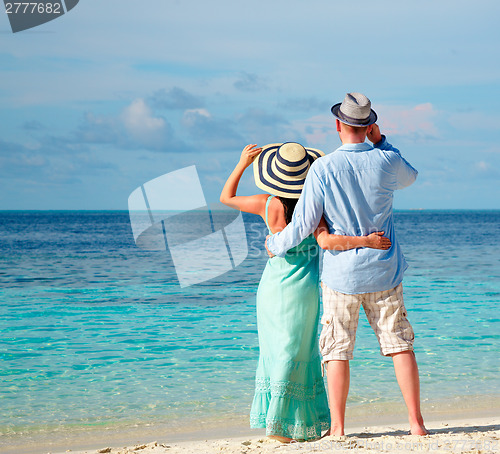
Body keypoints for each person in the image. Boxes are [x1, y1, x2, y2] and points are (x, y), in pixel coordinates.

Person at [266, 93, 428, 437]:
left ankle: (338, 429)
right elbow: (411, 177)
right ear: (369, 126)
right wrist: (382, 142)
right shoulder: (386, 160)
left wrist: (275, 244)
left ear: (338, 125)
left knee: (337, 348)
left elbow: (306, 222)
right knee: (400, 344)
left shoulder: (323, 168)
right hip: (384, 268)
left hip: (342, 274)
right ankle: (416, 424)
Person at [220, 141, 392, 442]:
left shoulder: (266, 203)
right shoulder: (316, 207)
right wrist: (365, 241)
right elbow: (329, 242)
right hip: (304, 291)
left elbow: (227, 197)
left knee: (278, 350)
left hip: (273, 288)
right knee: (299, 350)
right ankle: (287, 426)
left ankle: (282, 426)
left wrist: (242, 163)